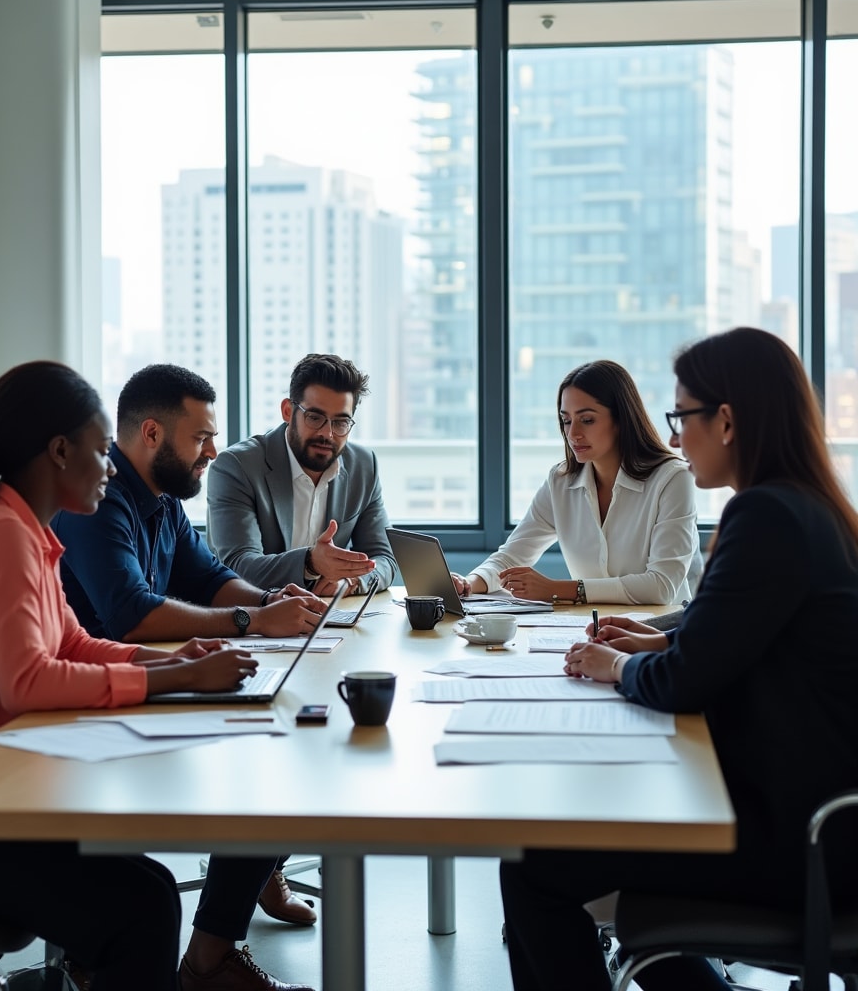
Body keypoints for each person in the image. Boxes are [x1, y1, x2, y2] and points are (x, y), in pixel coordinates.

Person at [0, 361, 313, 991]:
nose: (108, 467)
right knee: (142, 908)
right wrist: (170, 680)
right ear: (59, 452)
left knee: (149, 885)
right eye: (101, 452)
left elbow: (71, 641)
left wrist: (176, 663)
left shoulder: (26, 530)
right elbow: (29, 682)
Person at [499, 328, 858, 991]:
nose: (674, 437)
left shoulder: (765, 516)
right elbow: (731, 627)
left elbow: (684, 681)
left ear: (725, 421)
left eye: (682, 416)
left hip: (796, 840)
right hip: (818, 815)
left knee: (533, 871)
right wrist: (661, 636)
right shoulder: (809, 507)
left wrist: (619, 666)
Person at [52, 362, 322, 929]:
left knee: (289, 735)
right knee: (269, 750)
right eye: (201, 437)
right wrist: (253, 620)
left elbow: (207, 578)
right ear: (151, 433)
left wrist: (271, 602)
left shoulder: (163, 497)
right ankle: (215, 951)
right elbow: (127, 615)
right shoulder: (98, 495)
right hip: (84, 703)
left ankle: (244, 897)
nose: (213, 451)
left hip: (135, 679)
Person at [451, 360, 701, 606]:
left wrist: (556, 589)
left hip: (660, 634)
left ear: (621, 419)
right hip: (590, 630)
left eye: (587, 420)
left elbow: (662, 586)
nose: (573, 434)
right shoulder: (560, 482)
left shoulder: (673, 479)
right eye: (566, 420)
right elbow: (512, 557)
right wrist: (468, 584)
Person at [207, 353, 396, 597]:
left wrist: (349, 582)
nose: (327, 434)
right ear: (288, 411)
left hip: (330, 617)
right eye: (315, 417)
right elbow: (238, 566)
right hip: (256, 621)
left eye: (340, 422)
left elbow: (384, 559)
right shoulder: (236, 467)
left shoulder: (363, 465)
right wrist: (310, 563)